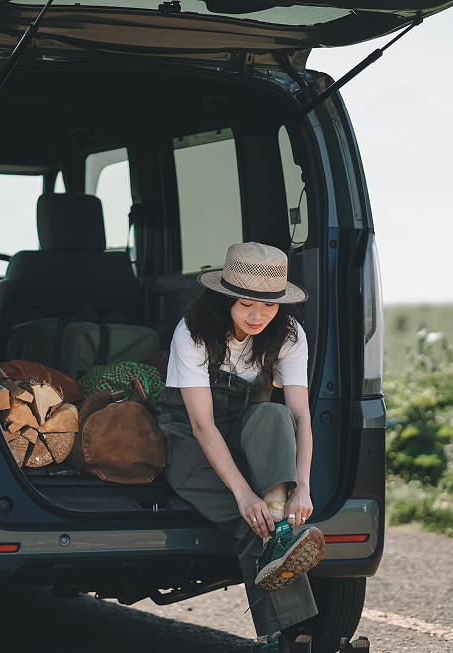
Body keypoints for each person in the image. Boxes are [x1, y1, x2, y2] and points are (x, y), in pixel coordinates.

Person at [157, 242, 324, 652]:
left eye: (268, 306)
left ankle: (277, 515)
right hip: (192, 436)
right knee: (255, 521)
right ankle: (285, 636)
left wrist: (302, 486)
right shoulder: (192, 332)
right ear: (225, 297)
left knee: (273, 415)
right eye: (246, 303)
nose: (257, 316)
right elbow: (202, 424)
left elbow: (300, 415)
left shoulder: (289, 334)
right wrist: (243, 493)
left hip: (249, 431)